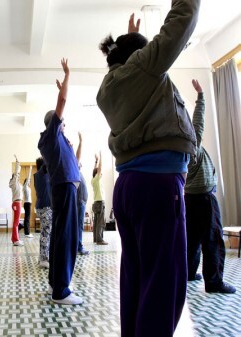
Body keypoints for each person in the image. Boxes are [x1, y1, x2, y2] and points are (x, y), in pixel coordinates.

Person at [96, 1, 200, 335]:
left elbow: (124, 62)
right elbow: (181, 22)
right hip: (158, 186)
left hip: (131, 187)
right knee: (163, 284)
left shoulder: (112, 86)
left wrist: (131, 38)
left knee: (138, 277)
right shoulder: (140, 71)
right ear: (138, 58)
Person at [38, 58, 82, 305]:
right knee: (65, 236)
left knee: (60, 235)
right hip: (64, 187)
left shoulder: (57, 139)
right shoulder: (52, 135)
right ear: (55, 122)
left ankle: (56, 282)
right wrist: (67, 75)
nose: (64, 122)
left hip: (65, 187)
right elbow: (62, 102)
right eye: (61, 120)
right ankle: (61, 291)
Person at [185, 79, 236, 294]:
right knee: (212, 239)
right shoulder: (192, 142)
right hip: (205, 198)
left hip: (188, 198)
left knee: (192, 239)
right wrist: (201, 96)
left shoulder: (175, 146)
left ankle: (188, 273)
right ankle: (214, 282)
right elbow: (199, 120)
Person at [34, 157, 52, 268]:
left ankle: (42, 257)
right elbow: (47, 161)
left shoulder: (39, 176)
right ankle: (43, 260)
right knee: (46, 233)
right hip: (45, 208)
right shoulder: (40, 174)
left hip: (43, 207)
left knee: (45, 233)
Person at [76, 132, 90, 255]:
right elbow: (78, 157)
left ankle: (77, 246)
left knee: (78, 226)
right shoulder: (75, 169)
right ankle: (79, 247)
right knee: (79, 226)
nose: (81, 163)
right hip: (79, 202)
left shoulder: (79, 173)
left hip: (81, 203)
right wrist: (81, 142)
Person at [91, 152, 108, 245]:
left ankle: (95, 238)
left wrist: (96, 161)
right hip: (100, 202)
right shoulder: (97, 179)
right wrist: (101, 157)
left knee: (96, 221)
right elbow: (99, 169)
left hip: (96, 203)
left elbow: (95, 170)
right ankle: (99, 240)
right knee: (100, 222)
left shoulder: (93, 180)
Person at [9, 155, 24, 246]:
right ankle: (15, 240)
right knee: (16, 222)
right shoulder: (14, 182)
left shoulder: (17, 183)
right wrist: (18, 163)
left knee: (17, 222)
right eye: (17, 176)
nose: (18, 176)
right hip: (16, 203)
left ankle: (14, 238)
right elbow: (16, 173)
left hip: (18, 203)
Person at [22, 166, 34, 238]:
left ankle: (26, 232)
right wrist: (30, 169)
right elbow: (28, 177)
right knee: (27, 218)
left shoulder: (27, 187)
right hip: (27, 203)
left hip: (28, 203)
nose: (29, 182)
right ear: (26, 182)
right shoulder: (25, 187)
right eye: (28, 181)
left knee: (27, 218)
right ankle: (27, 233)